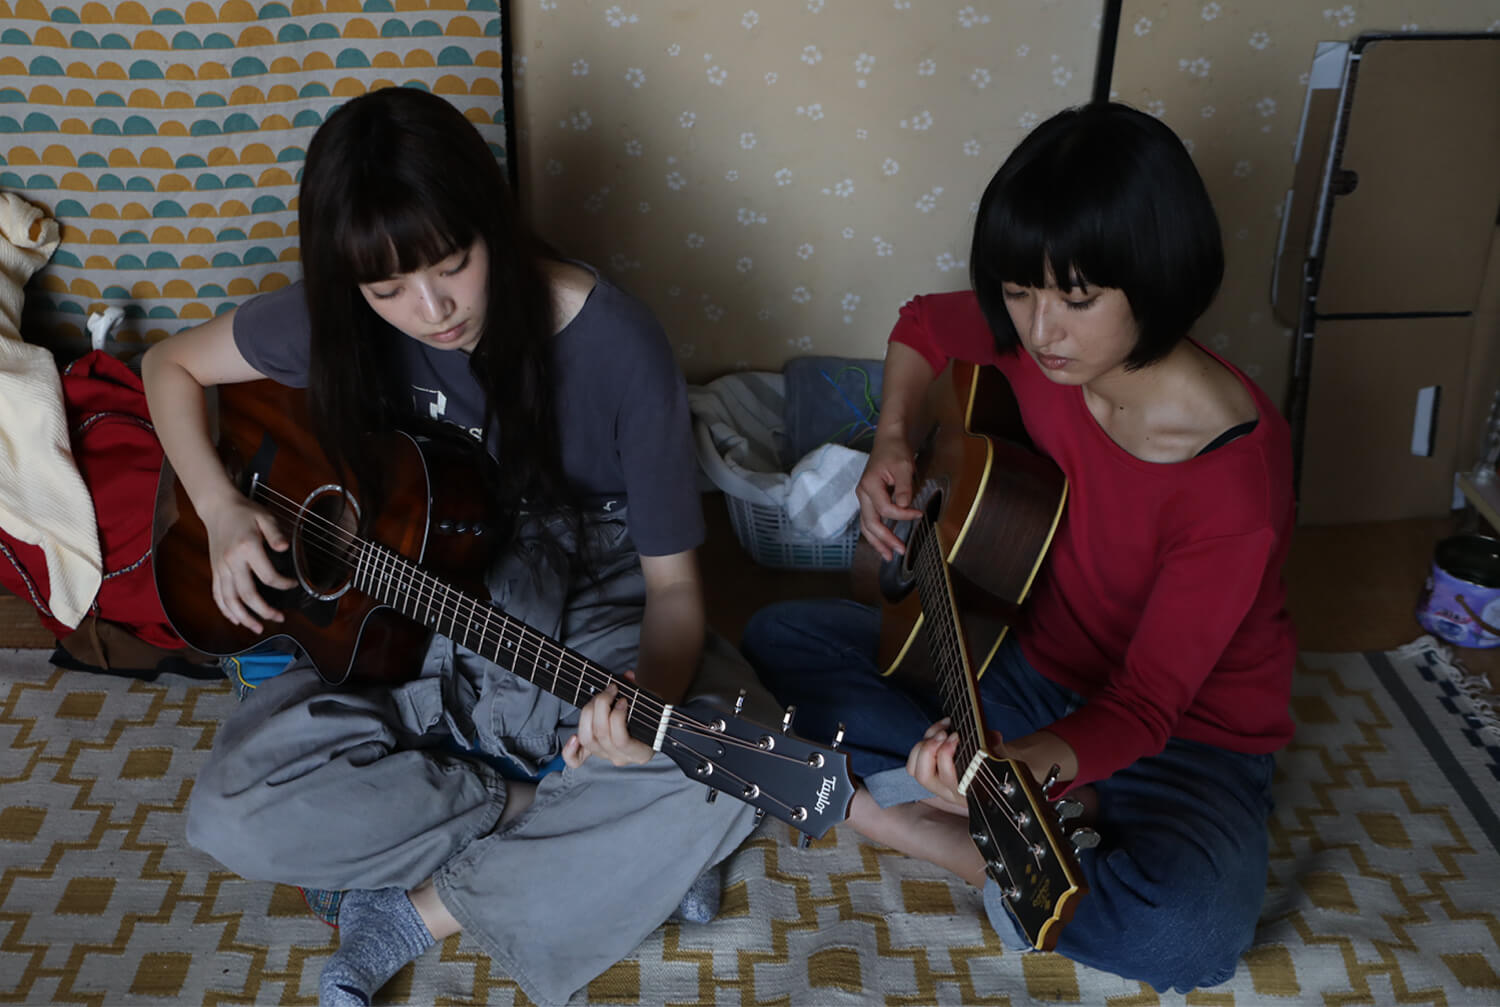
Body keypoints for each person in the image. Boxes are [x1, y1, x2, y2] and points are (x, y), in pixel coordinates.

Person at [142, 86, 767, 1007]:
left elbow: (674, 591)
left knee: (728, 760)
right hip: (402, 616)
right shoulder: (341, 317)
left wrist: (644, 708)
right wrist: (220, 505)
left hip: (581, 596)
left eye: (453, 265)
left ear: (493, 225)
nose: (431, 309)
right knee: (229, 812)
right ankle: (556, 821)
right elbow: (167, 364)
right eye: (388, 290)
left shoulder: (617, 343)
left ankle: (409, 912)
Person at [740, 101, 1297, 993]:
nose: (1041, 332)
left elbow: (1145, 706)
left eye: (1077, 300)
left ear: (1157, 276)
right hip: (1031, 669)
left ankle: (935, 831)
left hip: (1190, 736)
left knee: (1189, 935)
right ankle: (1027, 818)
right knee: (775, 639)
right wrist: (892, 440)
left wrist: (1005, 770)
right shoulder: (1040, 350)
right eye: (1018, 291)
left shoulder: (1235, 480)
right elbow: (923, 324)